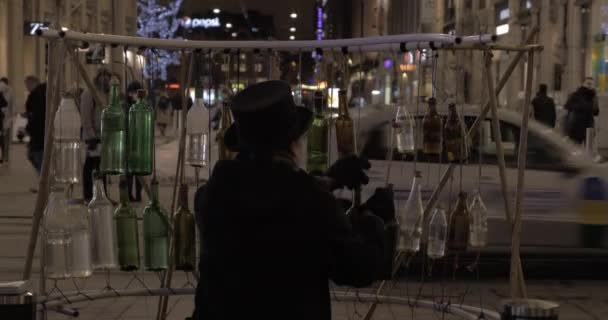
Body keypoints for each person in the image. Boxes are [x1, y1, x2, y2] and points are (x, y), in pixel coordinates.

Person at [193, 81, 390, 320]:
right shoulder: (310, 202)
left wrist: (327, 180)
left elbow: (267, 191)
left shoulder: (211, 195)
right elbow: (357, 269)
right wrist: (374, 221)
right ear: (292, 143)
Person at [80, 67, 112, 202]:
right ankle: (88, 195)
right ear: (97, 77)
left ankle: (102, 195)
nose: (104, 78)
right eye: (102, 75)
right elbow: (86, 116)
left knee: (102, 167)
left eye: (107, 75)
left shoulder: (106, 94)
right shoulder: (89, 93)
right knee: (91, 166)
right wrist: (91, 136)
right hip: (93, 137)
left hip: (104, 137)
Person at [564, 77, 599, 144]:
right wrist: (579, 107)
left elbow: (596, 112)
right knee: (576, 148)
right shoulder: (576, 95)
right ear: (583, 84)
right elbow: (568, 106)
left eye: (591, 84)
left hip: (589, 126)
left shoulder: (594, 97)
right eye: (588, 83)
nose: (589, 85)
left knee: (589, 148)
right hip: (577, 126)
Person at [24, 76, 46, 179]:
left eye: (27, 85)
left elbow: (36, 114)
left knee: (36, 155)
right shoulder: (42, 92)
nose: (26, 88)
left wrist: (28, 128)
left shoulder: (36, 94)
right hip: (41, 131)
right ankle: (44, 180)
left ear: (32, 83)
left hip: (39, 132)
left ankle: (44, 182)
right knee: (34, 154)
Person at [124, 80, 143, 202]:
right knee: (129, 170)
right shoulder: (125, 105)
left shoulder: (142, 104)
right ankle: (129, 194)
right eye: (132, 92)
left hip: (140, 140)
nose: (134, 94)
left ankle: (139, 194)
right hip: (129, 140)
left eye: (136, 92)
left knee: (139, 170)